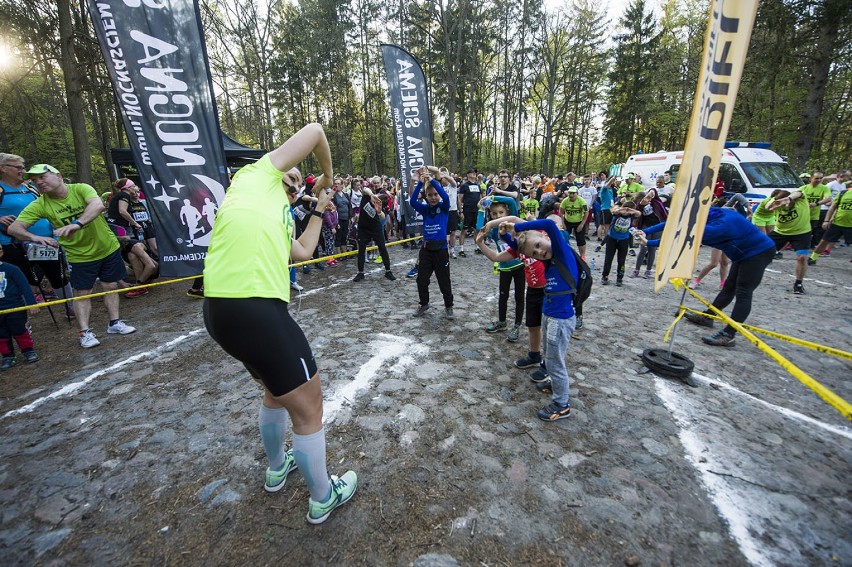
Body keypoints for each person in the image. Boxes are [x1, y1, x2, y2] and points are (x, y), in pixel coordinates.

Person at [202, 123, 357, 525]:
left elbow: (304, 250)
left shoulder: (280, 214)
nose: (291, 184)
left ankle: (276, 467)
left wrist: (319, 209)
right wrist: (328, 175)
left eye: (295, 187)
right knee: (309, 410)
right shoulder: (255, 175)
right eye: (289, 177)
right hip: (255, 309)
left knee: (274, 393)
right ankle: (323, 496)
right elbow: (318, 130)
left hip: (223, 311)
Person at [9, 164, 136, 348]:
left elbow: (97, 205)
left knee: (110, 285)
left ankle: (114, 323)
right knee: (82, 293)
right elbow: (14, 228)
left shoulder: (80, 188)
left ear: (58, 175)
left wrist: (77, 224)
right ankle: (85, 332)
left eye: (43, 177)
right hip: (80, 255)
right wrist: (35, 237)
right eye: (35, 180)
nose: (39, 182)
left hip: (107, 247)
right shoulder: (40, 204)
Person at [637, 206, 776, 347]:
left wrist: (649, 242)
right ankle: (708, 317)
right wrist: (646, 231)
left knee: (743, 292)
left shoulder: (717, 227)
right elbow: (676, 223)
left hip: (758, 252)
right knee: (729, 287)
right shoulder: (705, 211)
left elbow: (681, 239)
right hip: (742, 253)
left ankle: (729, 334)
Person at [502, 217, 580, 422]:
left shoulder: (561, 251)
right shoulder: (549, 259)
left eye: (539, 245)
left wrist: (516, 227)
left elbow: (548, 224)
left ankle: (562, 405)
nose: (539, 252)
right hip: (550, 316)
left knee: (555, 362)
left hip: (560, 319)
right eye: (534, 253)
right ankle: (555, 384)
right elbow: (520, 250)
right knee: (550, 355)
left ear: (544, 237)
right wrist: (504, 236)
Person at [0, 153, 73, 315]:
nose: (22, 171)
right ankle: (25, 313)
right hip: (14, 244)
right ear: (3, 169)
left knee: (57, 275)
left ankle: (71, 307)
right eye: (18, 167)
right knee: (25, 280)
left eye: (23, 167)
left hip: (45, 241)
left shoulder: (30, 187)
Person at [477, 197, 525, 342]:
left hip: (520, 266)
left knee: (519, 297)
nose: (498, 216)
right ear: (490, 215)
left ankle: (517, 325)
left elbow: (511, 200)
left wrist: (492, 197)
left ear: (507, 212)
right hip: (504, 267)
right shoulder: (493, 231)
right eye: (494, 214)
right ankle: (502, 322)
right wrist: (481, 209)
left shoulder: (513, 223)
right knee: (503, 296)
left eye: (501, 212)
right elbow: (479, 228)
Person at [409, 166, 454, 319]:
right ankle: (424, 303)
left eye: (435, 194)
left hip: (441, 250)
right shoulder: (425, 209)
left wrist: (432, 181)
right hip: (426, 251)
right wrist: (420, 184)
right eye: (430, 195)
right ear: (426, 196)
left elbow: (446, 197)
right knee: (421, 280)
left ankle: (449, 307)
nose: (433, 197)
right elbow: (412, 201)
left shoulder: (444, 206)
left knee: (444, 282)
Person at [0, 246, 40, 368]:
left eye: (0, 248)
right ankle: (7, 356)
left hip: (14, 306)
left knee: (20, 330)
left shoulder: (11, 269)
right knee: (1, 335)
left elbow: (25, 287)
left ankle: (28, 350)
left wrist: (31, 303)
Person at [765, 189, 811, 294]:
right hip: (780, 233)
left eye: (787, 203)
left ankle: (798, 283)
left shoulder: (800, 200)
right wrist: (776, 203)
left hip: (801, 233)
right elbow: (767, 207)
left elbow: (799, 193)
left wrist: (788, 199)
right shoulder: (776, 201)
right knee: (759, 251)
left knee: (802, 258)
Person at [352, 186, 395, 282]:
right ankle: (360, 272)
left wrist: (379, 212)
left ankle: (388, 271)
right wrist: (372, 195)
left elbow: (383, 217)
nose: (377, 199)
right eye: (377, 196)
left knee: (382, 248)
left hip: (375, 229)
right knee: (361, 249)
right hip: (363, 228)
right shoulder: (367, 196)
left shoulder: (380, 206)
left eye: (379, 200)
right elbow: (364, 189)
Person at [601, 201, 640, 286]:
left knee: (621, 260)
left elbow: (639, 213)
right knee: (608, 258)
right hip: (612, 239)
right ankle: (605, 276)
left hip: (624, 240)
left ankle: (619, 278)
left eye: (628, 211)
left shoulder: (632, 215)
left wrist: (630, 210)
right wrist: (623, 209)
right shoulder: (617, 213)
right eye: (625, 210)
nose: (626, 213)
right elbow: (614, 210)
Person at [808, 186, 851, 265]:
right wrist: (826, 220)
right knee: (824, 241)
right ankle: (813, 258)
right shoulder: (843, 193)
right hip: (837, 223)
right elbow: (833, 207)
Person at [630, 189, 667, 278]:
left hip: (657, 228)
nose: (649, 198)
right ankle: (636, 270)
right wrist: (642, 204)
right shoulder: (640, 204)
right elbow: (637, 214)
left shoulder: (657, 203)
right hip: (646, 227)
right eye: (648, 196)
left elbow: (664, 214)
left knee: (652, 250)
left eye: (651, 195)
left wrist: (652, 193)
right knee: (643, 249)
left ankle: (648, 270)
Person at [800, 172, 832, 245]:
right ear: (811, 178)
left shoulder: (824, 188)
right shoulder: (804, 188)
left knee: (813, 230)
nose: (819, 180)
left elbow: (828, 198)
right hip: (803, 214)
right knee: (802, 230)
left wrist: (816, 204)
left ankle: (811, 244)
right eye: (816, 178)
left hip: (815, 215)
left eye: (821, 178)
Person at [558, 187, 589, 258]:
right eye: (570, 193)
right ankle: (564, 254)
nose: (571, 195)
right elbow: (561, 212)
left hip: (579, 221)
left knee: (580, 240)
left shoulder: (582, 201)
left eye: (573, 193)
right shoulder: (565, 201)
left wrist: (582, 224)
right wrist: (563, 223)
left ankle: (583, 256)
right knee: (564, 237)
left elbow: (586, 213)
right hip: (568, 221)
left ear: (577, 193)